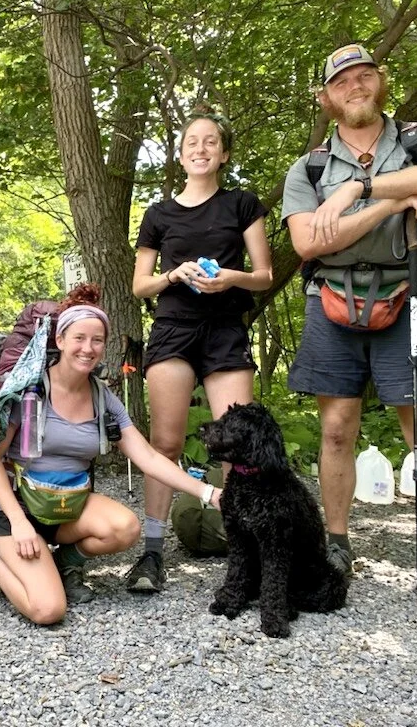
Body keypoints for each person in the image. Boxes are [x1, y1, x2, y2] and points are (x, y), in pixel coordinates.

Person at [282, 43, 417, 620]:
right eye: (342, 80)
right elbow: (308, 244)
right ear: (327, 100)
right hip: (330, 300)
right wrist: (384, 203)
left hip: (411, 295)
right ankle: (336, 545)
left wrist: (360, 191)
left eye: (365, 74)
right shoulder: (310, 169)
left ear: (382, 82)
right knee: (335, 430)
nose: (355, 85)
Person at [0, 288, 222, 624]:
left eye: (97, 340)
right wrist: (20, 523)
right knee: (48, 609)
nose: (88, 348)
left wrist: (209, 493)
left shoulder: (103, 398)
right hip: (17, 510)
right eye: (79, 337)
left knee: (125, 528)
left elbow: (150, 459)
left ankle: (65, 564)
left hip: (65, 506)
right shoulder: (29, 391)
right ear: (61, 339)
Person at [127, 109, 272, 592]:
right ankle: (151, 553)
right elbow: (139, 286)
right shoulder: (159, 213)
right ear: (182, 152)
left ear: (223, 154)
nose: (201, 148)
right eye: (193, 141)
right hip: (172, 329)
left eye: (211, 142)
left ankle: (246, 550)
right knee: (164, 443)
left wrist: (231, 277)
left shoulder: (242, 204)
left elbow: (265, 275)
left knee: (239, 446)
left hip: (226, 329)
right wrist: (174, 274)